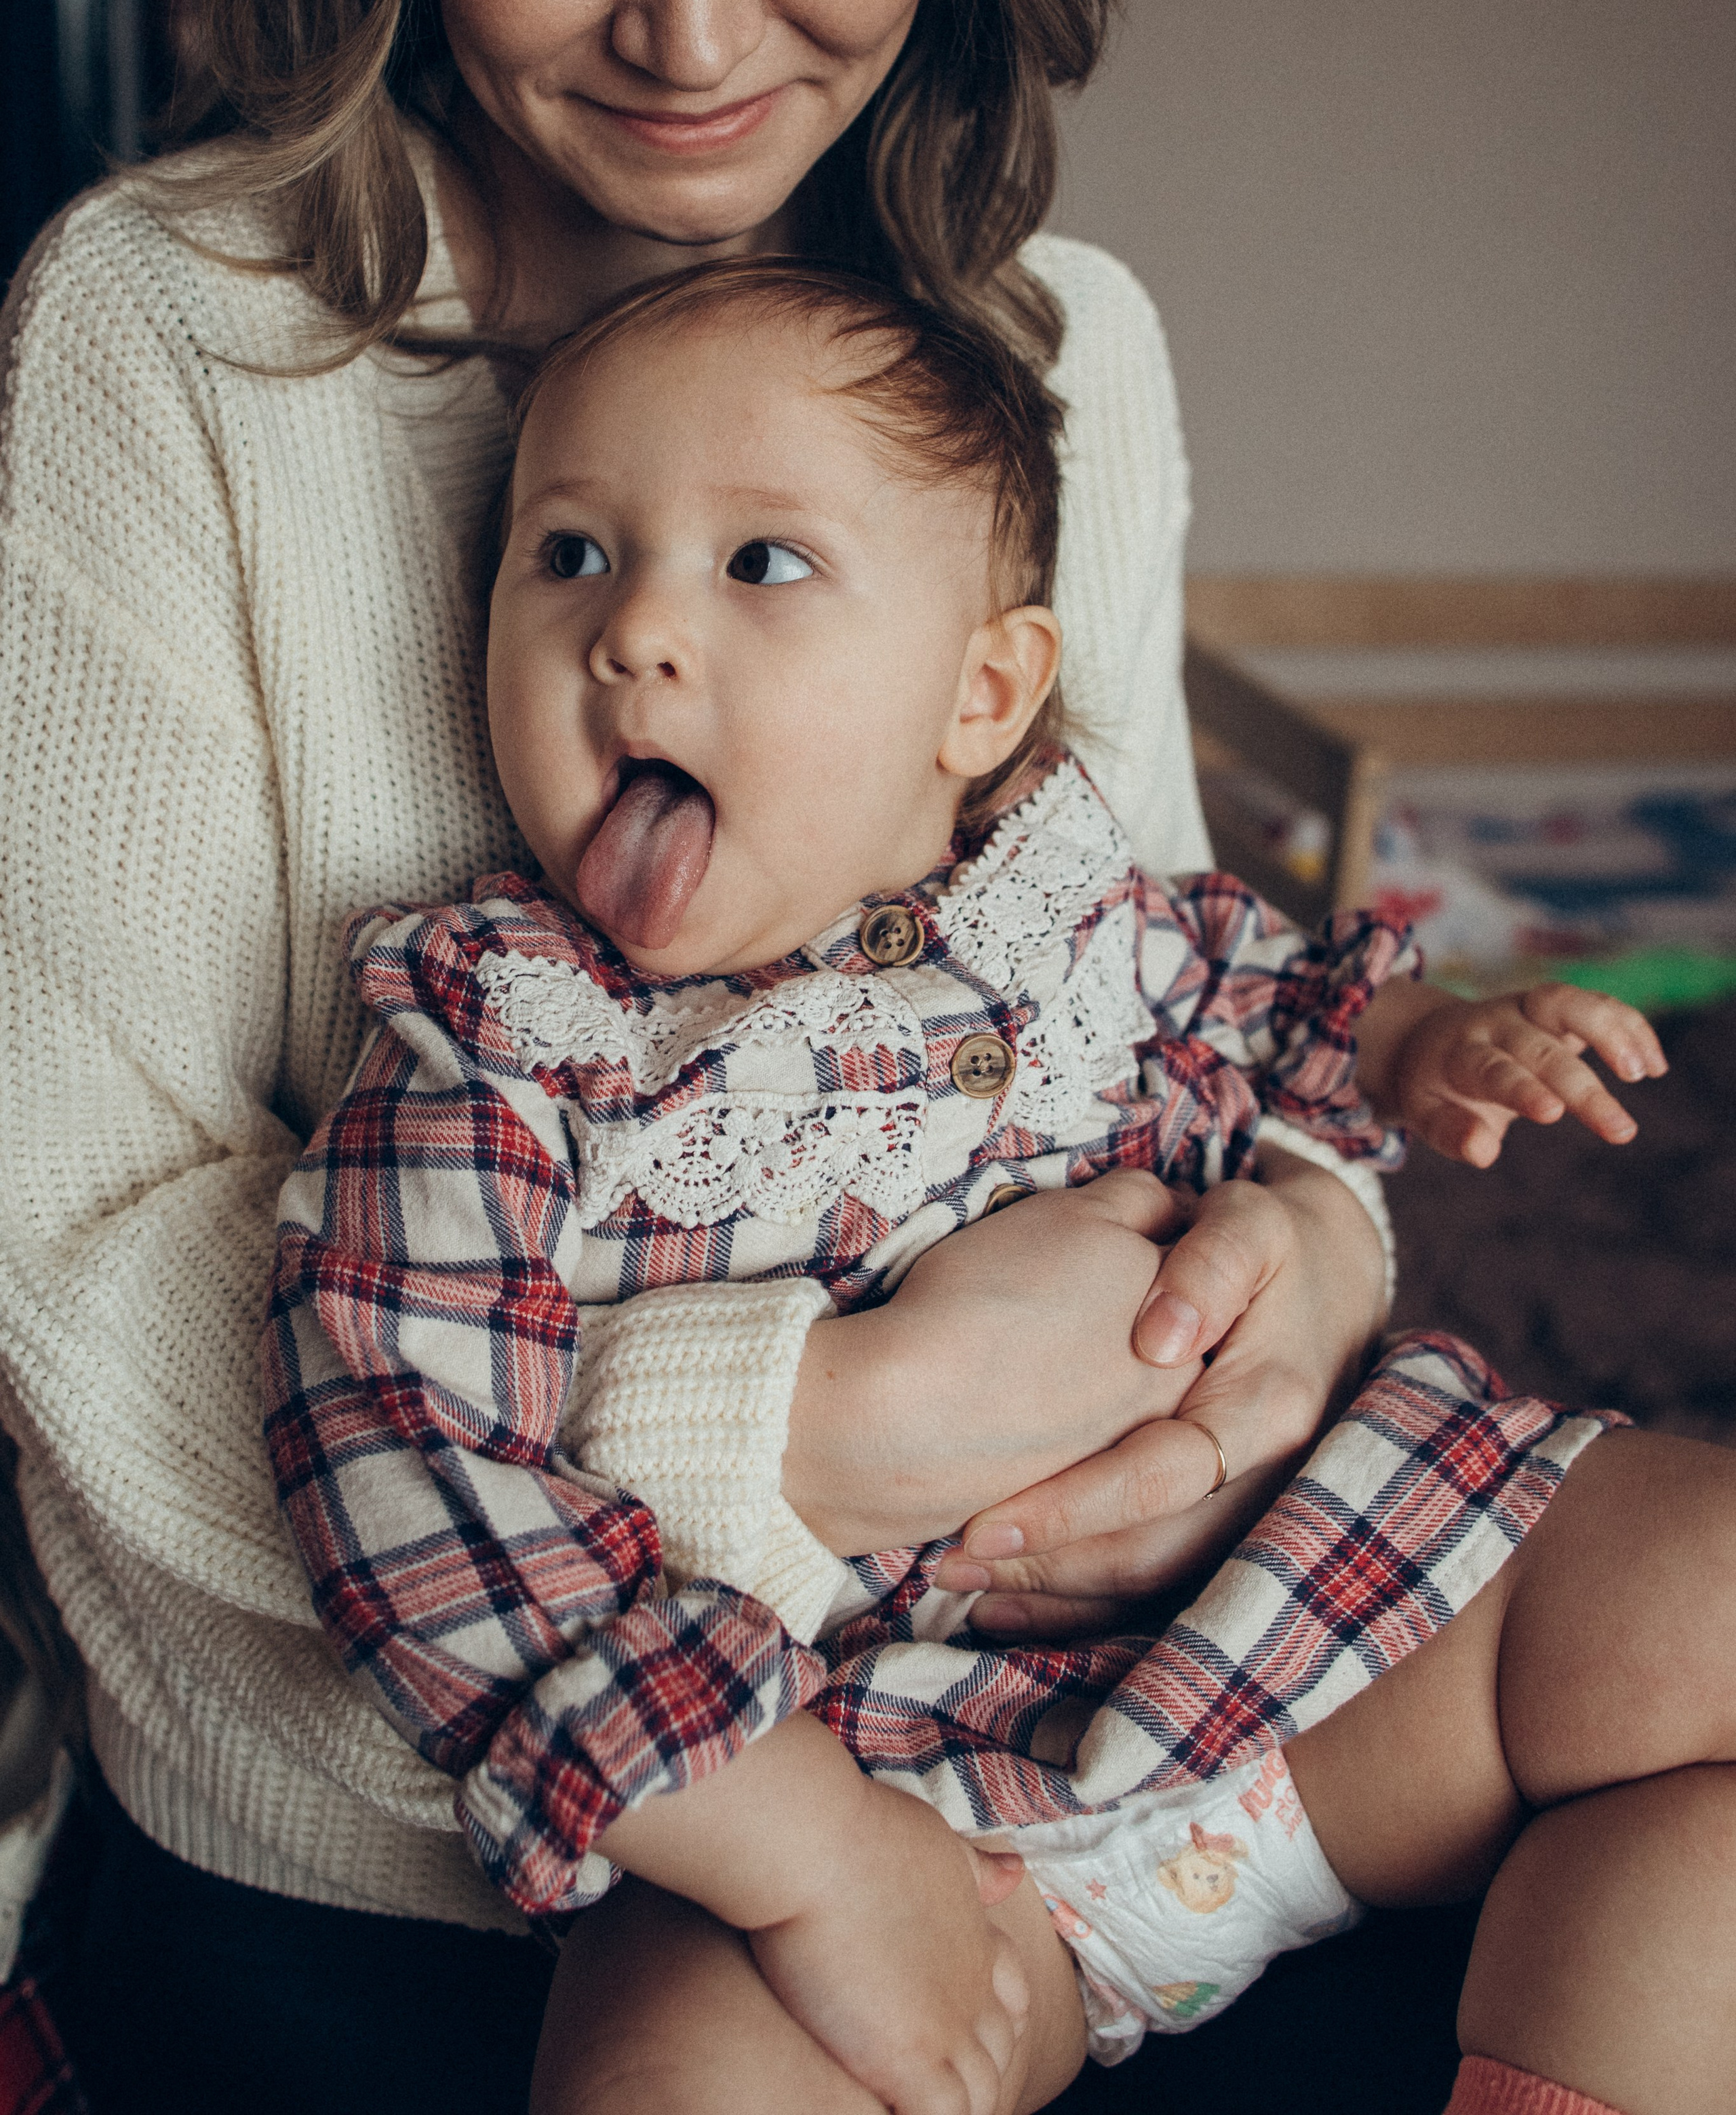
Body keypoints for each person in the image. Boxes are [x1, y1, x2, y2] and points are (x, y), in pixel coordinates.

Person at [0, 0, 1672, 2108]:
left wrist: (1295, 1292)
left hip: (1168, 1681)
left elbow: (1166, 969)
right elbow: (80, 1288)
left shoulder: (1067, 354)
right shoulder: (180, 351)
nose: (693, 16)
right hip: (463, 1852)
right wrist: (822, 1430)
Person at [265, 256, 1718, 2115]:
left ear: (981, 691)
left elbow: (1281, 999)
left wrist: (1426, 1051)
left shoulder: (1067, 900)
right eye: (566, 556)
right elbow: (397, 1464)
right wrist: (798, 1852)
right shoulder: (500, 1045)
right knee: (658, 2073)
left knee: (1695, 1600)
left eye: (759, 564)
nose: (630, 634)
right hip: (893, 1821)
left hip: (1338, 1606)